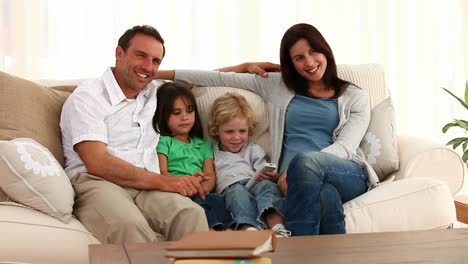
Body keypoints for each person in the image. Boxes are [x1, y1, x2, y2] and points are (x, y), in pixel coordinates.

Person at [156, 23, 380, 236]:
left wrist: (297, 169)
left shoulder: (355, 97)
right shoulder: (278, 85)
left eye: (314, 52)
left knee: (304, 163)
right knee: (326, 197)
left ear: (325, 51)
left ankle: (295, 253)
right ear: (290, 63)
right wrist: (155, 74)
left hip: (344, 172)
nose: (309, 62)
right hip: (298, 185)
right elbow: (215, 78)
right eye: (299, 58)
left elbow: (346, 147)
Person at [60, 25, 208, 243]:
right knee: (129, 225)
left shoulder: (154, 91)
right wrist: (166, 182)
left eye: (155, 61)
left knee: (191, 213)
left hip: (148, 185)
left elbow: (200, 78)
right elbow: (97, 162)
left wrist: (244, 68)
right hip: (98, 182)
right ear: (119, 54)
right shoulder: (88, 97)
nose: (148, 66)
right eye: (141, 56)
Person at [207, 92, 290, 237]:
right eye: (229, 132)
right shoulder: (211, 152)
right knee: (237, 193)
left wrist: (270, 175)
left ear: (249, 130)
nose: (236, 137)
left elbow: (263, 168)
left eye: (242, 131)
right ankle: (250, 229)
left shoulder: (253, 149)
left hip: (254, 183)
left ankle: (278, 227)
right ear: (216, 130)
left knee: (268, 187)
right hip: (230, 188)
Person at [153, 82, 233, 230]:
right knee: (197, 203)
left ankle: (229, 230)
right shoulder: (163, 142)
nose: (185, 117)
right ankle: (213, 231)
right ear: (163, 115)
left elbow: (210, 174)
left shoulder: (204, 145)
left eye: (189, 111)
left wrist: (203, 187)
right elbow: (162, 173)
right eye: (176, 113)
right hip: (177, 190)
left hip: (200, 191)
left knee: (219, 200)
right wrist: (186, 184)